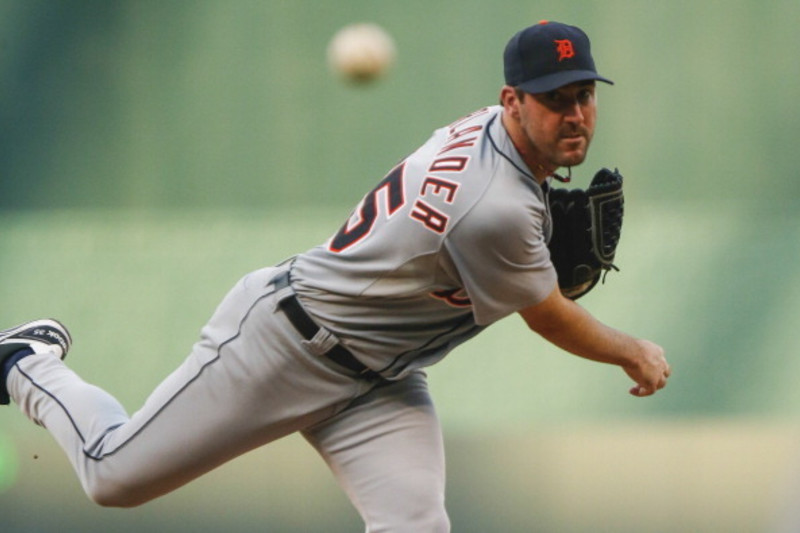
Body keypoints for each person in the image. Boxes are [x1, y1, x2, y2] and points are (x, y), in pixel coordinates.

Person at [0, 21, 670, 532]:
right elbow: (549, 314)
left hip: (380, 380)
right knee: (113, 476)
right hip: (284, 345)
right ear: (512, 100)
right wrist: (632, 350)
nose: (576, 115)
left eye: (584, 96)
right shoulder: (492, 208)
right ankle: (27, 362)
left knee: (416, 525)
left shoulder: (492, 137)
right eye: (556, 101)